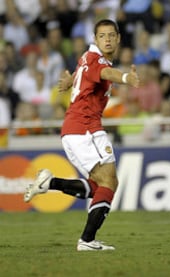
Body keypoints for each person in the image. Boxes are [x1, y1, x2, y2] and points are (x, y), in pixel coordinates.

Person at [23, 19, 140, 251]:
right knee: (108, 182)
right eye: (102, 36)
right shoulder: (98, 61)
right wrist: (126, 78)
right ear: (95, 40)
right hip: (83, 128)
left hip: (83, 128)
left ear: (118, 38)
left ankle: (50, 182)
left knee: (102, 185)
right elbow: (105, 73)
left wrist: (71, 79)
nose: (107, 39)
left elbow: (85, 71)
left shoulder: (88, 57)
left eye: (111, 35)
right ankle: (86, 241)